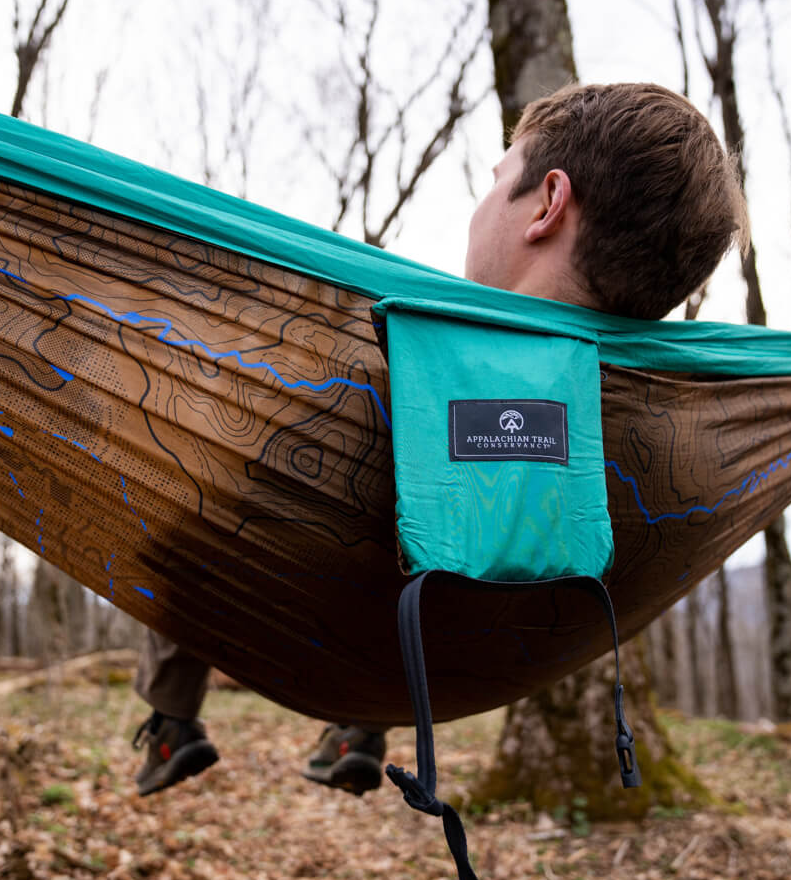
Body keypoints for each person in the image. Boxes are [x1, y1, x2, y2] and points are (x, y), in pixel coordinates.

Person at [131, 81, 748, 797]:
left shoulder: (388, 362)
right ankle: (355, 722)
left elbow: (190, 537)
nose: (479, 204)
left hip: (319, 590)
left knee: (193, 504)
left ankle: (174, 717)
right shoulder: (672, 431)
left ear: (548, 204)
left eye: (495, 181)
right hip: (428, 650)